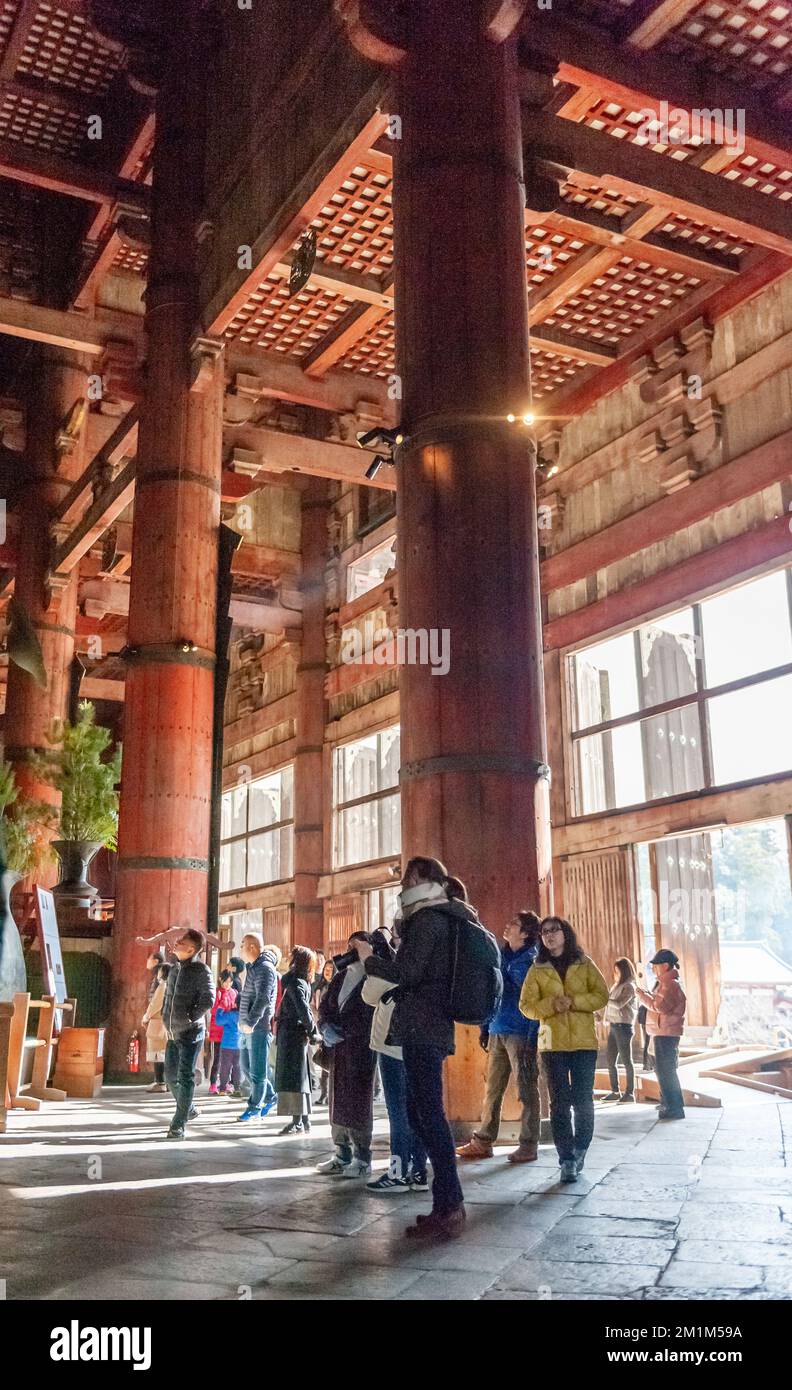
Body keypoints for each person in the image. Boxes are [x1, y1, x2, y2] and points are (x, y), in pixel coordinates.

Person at [361, 857, 479, 1241]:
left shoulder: (428, 919)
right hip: (426, 1026)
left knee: (428, 1113)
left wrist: (371, 960)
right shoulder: (437, 917)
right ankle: (445, 1202)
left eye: (409, 877)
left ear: (425, 880)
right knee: (421, 1111)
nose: (403, 883)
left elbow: (407, 973)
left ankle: (450, 1204)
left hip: (422, 1027)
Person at [519, 916, 608, 1184]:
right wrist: (550, 1006)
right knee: (559, 1103)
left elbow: (601, 995)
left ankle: (581, 1147)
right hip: (552, 1045)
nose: (549, 936)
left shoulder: (585, 963)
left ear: (565, 934)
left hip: (583, 1044)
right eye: (545, 932)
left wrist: (575, 1002)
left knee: (583, 1100)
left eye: (554, 930)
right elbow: (526, 1005)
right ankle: (566, 1158)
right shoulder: (537, 969)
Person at [456, 910, 541, 1164]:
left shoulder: (531, 961)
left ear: (526, 933)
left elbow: (529, 995)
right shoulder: (501, 955)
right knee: (492, 1089)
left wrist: (531, 1035)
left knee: (526, 1089)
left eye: (514, 923)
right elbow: (490, 992)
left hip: (520, 1031)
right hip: (497, 1028)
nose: (508, 925)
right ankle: (483, 1140)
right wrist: (484, 1026)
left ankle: (529, 1143)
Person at [362, 920, 429, 1194]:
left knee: (398, 1112)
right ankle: (419, 1172)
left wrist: (370, 960)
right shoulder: (429, 961)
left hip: (392, 1047)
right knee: (420, 1112)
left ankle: (398, 1173)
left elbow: (368, 995)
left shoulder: (394, 964)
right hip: (422, 1044)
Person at [316, 932, 378, 1178]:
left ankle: (363, 1157)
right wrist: (325, 1027)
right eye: (349, 945)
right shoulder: (341, 977)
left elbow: (372, 1012)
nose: (351, 950)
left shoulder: (373, 976)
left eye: (357, 945)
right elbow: (325, 1007)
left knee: (358, 1100)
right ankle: (341, 1153)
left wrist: (348, 1031)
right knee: (336, 1099)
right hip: (337, 1048)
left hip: (361, 1047)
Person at [161, 928, 215, 1140]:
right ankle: (189, 1108)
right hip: (173, 1032)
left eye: (181, 942)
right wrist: (167, 1020)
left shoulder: (201, 970)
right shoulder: (175, 968)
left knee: (185, 1077)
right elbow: (168, 997)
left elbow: (208, 999)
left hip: (191, 1033)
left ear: (191, 949)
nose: (176, 944)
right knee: (170, 1076)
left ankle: (178, 1123)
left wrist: (191, 1017)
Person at [637, 948, 686, 1121]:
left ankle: (674, 1108)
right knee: (663, 1070)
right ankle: (669, 1103)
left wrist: (642, 996)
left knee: (667, 1071)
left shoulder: (670, 984)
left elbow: (660, 1007)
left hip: (666, 1033)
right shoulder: (664, 983)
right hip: (661, 1031)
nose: (654, 969)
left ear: (665, 965)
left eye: (656, 965)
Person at [275, 946, 319, 1134]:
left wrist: (312, 1030)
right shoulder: (300, 982)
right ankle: (304, 1119)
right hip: (295, 1034)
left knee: (295, 1077)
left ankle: (297, 1121)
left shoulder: (295, 983)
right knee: (300, 1076)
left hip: (292, 1034)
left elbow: (303, 1009)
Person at [236, 933, 279, 1122]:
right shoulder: (253, 968)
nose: (241, 948)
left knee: (258, 1071)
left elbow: (263, 999)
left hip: (258, 1027)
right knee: (245, 1066)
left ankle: (254, 1107)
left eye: (243, 944)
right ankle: (270, 1096)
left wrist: (251, 1022)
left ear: (252, 947)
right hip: (246, 1027)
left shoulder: (265, 968)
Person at [601, 957, 638, 1104]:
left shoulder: (629, 986)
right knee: (610, 1060)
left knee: (627, 1060)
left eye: (617, 970)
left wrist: (605, 998)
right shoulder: (616, 986)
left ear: (624, 970)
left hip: (624, 1026)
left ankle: (629, 1093)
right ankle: (615, 1091)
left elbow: (619, 1004)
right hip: (614, 1025)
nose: (615, 973)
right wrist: (603, 1018)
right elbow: (609, 1006)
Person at [142, 962, 170, 1092]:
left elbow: (155, 1004)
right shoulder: (171, 986)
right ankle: (168, 1082)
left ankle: (160, 1082)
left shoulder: (163, 986)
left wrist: (146, 1017)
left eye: (159, 971)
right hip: (166, 1023)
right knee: (165, 1054)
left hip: (158, 1022)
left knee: (158, 1054)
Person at [214, 969, 243, 1095]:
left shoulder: (230, 1015)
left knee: (225, 1066)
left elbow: (218, 1021)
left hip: (226, 1044)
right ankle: (237, 1087)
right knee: (237, 1067)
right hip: (240, 1044)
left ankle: (222, 1089)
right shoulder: (244, 1016)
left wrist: (220, 1009)